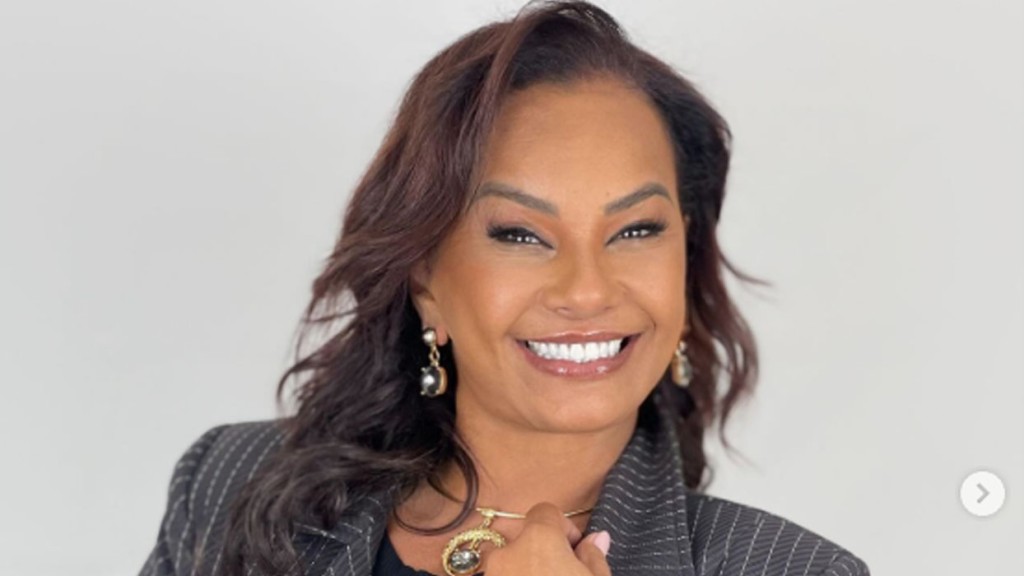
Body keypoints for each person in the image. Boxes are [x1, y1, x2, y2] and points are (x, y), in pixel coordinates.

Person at [139, 2, 870, 575]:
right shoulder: (228, 484)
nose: (586, 290)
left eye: (637, 230)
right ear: (423, 273)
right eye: (520, 235)